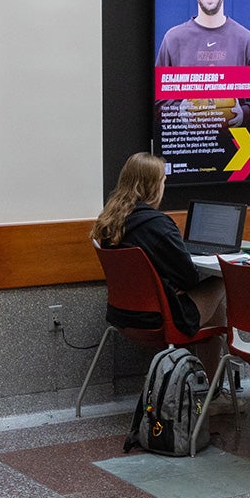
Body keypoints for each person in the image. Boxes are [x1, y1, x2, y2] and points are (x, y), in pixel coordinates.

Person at [91, 152, 225, 377]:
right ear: (153, 185)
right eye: (163, 180)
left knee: (209, 314)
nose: (165, 185)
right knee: (221, 281)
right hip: (160, 319)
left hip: (123, 316)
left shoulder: (109, 222)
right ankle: (215, 390)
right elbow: (190, 279)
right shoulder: (157, 224)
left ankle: (211, 387)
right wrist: (174, 284)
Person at [154, 0, 250, 132]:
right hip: (188, 147)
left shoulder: (245, 40)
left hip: (238, 152)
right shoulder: (173, 39)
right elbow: (157, 101)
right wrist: (178, 112)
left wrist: (244, 113)